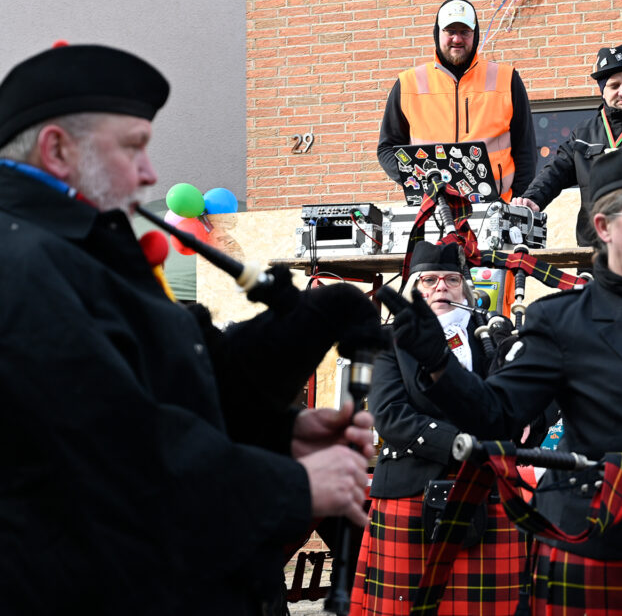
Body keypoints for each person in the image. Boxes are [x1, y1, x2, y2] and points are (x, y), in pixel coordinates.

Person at [0, 43, 385, 616]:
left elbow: (170, 383)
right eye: (133, 148)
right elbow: (115, 451)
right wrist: (291, 485)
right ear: (57, 149)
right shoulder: (23, 263)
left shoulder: (78, 250)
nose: (150, 173)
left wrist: (282, 433)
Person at [385, 146, 622, 614]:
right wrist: (438, 365)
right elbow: (497, 414)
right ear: (604, 227)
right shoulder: (561, 319)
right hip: (605, 533)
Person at [350, 241, 525, 615]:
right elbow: (390, 414)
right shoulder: (389, 338)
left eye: (451, 280)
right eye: (428, 280)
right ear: (413, 289)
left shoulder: (494, 333)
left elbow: (516, 403)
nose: (441, 288)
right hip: (410, 488)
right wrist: (464, 445)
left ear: (465, 288)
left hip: (488, 491)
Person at [510, 43, 622, 246]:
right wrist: (532, 199)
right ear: (603, 91)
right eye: (614, 86)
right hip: (593, 250)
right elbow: (556, 171)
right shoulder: (583, 133)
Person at [377, 0, 537, 201]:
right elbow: (387, 148)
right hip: (431, 210)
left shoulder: (507, 79)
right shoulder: (408, 83)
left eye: (465, 32)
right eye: (450, 31)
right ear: (437, 33)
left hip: (494, 210)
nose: (457, 39)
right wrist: (418, 181)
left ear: (475, 34)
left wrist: (515, 204)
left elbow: (526, 151)